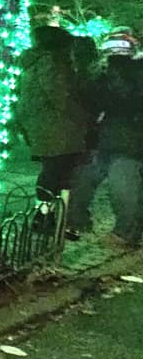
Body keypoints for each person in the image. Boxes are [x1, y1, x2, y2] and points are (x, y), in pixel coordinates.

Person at [68, 34, 142, 247]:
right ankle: (82, 221)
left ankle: (124, 233)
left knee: (122, 185)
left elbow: (94, 102)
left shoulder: (107, 77)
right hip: (118, 140)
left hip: (121, 141)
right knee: (117, 184)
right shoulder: (112, 76)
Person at [14, 25, 92, 201]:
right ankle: (46, 216)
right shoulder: (51, 63)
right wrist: (83, 119)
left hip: (43, 124)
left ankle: (50, 215)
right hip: (56, 126)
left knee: (54, 169)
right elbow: (61, 97)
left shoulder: (33, 63)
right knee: (56, 171)